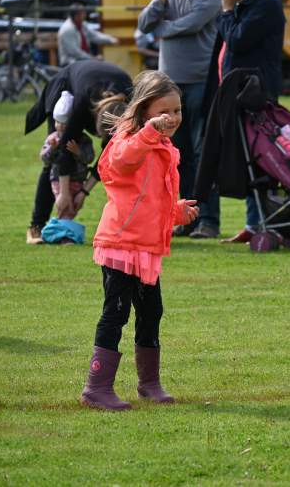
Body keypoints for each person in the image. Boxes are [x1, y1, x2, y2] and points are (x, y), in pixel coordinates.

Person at [80, 71, 199, 410]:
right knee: (115, 313)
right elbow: (121, 162)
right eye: (165, 111)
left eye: (177, 111)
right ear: (145, 110)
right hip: (120, 244)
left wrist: (175, 212)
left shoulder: (163, 147)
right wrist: (149, 132)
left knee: (152, 312)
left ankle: (150, 383)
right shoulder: (129, 140)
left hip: (145, 247)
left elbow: (151, 198)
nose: (173, 118)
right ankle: (96, 387)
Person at [138, 0, 224, 240]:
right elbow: (143, 24)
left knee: (204, 153)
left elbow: (195, 22)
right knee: (176, 155)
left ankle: (209, 221)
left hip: (202, 79)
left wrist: (162, 28)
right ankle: (183, 218)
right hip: (169, 85)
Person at [207, 0, 286, 244]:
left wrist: (227, 12)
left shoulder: (266, 4)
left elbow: (238, 41)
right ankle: (255, 223)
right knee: (247, 156)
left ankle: (267, 222)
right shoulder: (248, 1)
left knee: (261, 157)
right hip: (237, 92)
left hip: (255, 94)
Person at [24, 61, 133, 244]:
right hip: (66, 88)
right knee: (54, 158)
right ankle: (36, 227)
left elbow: (109, 158)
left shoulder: (131, 107)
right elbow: (64, 151)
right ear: (94, 122)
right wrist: (64, 193)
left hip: (100, 85)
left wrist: (83, 192)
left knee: (113, 151)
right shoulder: (82, 105)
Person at [39, 94, 96, 241]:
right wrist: (52, 149)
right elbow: (44, 157)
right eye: (57, 121)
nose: (60, 125)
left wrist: (78, 152)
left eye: (65, 122)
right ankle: (66, 238)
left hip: (78, 181)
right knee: (65, 207)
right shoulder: (53, 138)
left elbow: (90, 158)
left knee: (74, 208)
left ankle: (55, 232)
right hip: (58, 180)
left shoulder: (84, 139)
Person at [58, 3, 120, 67]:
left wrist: (110, 39)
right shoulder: (67, 29)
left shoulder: (82, 24)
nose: (85, 15)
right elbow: (74, 51)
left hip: (83, 61)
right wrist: (91, 58)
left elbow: (94, 35)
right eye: (83, 13)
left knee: (101, 66)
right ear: (77, 16)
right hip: (71, 63)